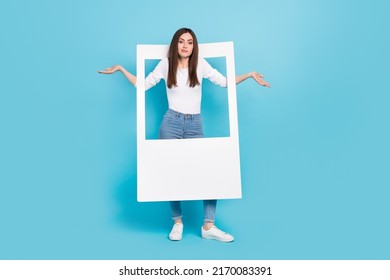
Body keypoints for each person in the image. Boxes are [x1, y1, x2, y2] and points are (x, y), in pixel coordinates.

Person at [98, 27, 270, 242]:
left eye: (189, 42)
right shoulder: (165, 65)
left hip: (195, 124)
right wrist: (122, 70)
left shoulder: (200, 65)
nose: (185, 45)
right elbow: (143, 85)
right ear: (175, 44)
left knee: (209, 173)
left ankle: (209, 226)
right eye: (181, 41)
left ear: (194, 45)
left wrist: (250, 75)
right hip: (171, 122)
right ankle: (177, 222)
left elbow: (225, 81)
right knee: (172, 174)